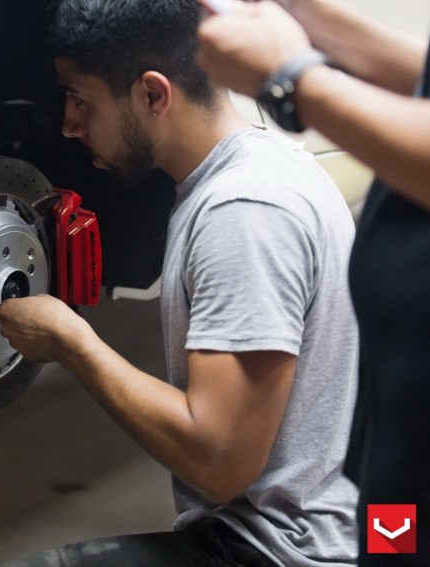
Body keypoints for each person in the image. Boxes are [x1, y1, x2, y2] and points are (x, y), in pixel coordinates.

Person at [0, 0, 360, 565]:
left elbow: (219, 463)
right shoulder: (259, 165)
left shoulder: (243, 214)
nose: (68, 124)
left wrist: (72, 342)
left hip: (290, 552)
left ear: (152, 95)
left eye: (80, 100)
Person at [197, 1, 430, 564]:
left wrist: (294, 80)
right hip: (400, 449)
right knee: (392, 539)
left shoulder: (245, 204)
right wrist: (298, 11)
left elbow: (220, 459)